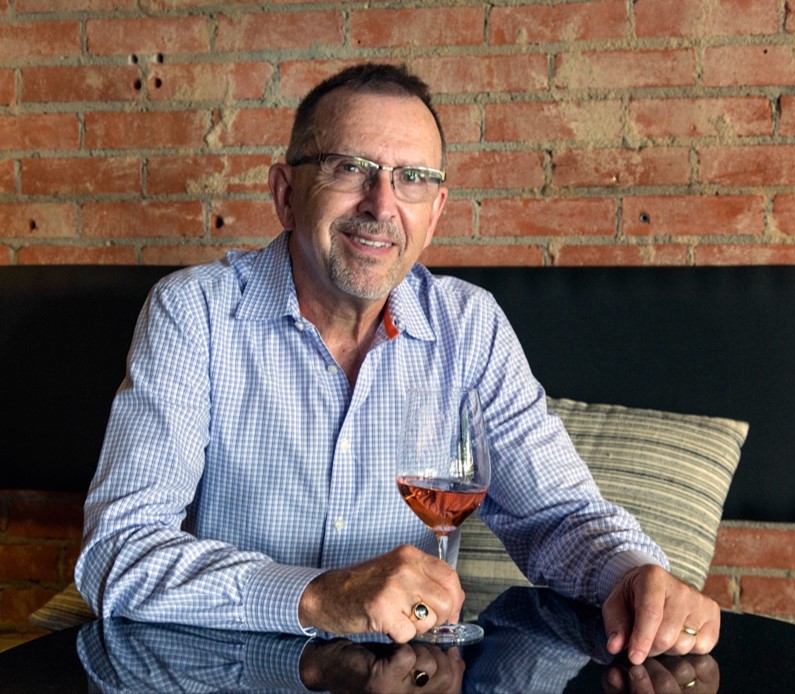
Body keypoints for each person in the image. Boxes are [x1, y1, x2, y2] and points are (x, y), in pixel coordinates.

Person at [75, 62, 720, 666]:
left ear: (434, 214)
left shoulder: (469, 327)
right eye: (350, 169)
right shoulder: (195, 314)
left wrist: (633, 573)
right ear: (285, 193)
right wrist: (316, 596)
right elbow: (118, 552)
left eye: (412, 178)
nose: (381, 206)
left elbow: (558, 516)